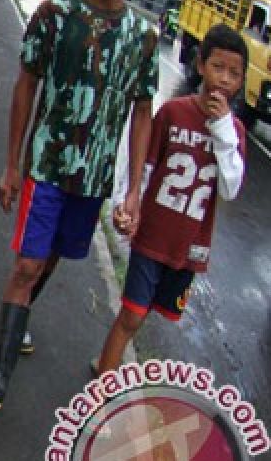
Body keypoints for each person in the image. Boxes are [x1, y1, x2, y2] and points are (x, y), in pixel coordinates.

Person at [0, 0, 159, 413]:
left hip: (92, 178)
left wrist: (133, 189)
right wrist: (12, 164)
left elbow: (142, 113)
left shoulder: (143, 38)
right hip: (46, 167)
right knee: (28, 262)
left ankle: (18, 318)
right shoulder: (55, 15)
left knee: (50, 258)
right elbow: (25, 84)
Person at [94, 24, 247, 373]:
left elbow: (230, 189)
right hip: (152, 236)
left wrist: (222, 130)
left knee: (142, 312)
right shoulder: (174, 112)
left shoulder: (234, 133)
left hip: (188, 246)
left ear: (241, 82)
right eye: (217, 67)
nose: (224, 79)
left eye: (234, 73)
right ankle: (101, 395)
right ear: (200, 65)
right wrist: (127, 204)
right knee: (132, 314)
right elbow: (143, 165)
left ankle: (106, 361)